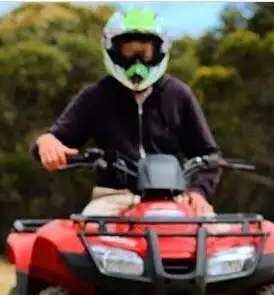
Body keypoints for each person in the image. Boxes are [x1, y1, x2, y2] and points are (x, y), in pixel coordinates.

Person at [32, 7, 222, 217]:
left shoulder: (178, 94)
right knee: (85, 238)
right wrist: (46, 142)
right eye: (129, 52)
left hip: (175, 197)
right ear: (112, 49)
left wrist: (198, 192)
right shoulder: (95, 96)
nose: (137, 62)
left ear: (160, 50)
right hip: (113, 197)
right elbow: (56, 139)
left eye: (144, 52)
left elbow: (208, 154)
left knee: (214, 237)